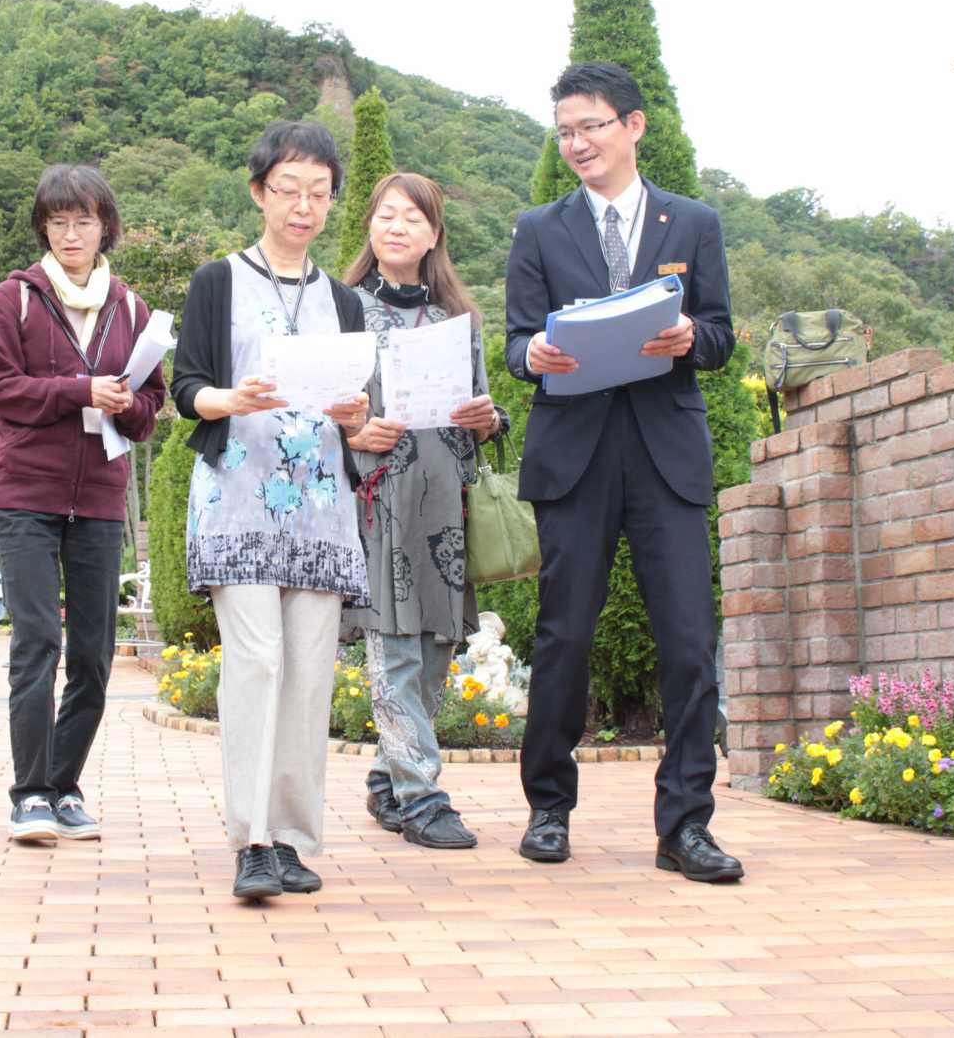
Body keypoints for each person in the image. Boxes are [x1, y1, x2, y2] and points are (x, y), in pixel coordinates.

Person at [503, 61, 743, 882]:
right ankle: (548, 808)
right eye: (565, 130)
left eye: (592, 126)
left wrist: (690, 340)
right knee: (564, 635)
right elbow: (515, 341)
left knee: (687, 641)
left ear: (634, 126)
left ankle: (686, 824)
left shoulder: (694, 222)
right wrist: (530, 353)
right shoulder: (538, 228)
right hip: (574, 453)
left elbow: (719, 333)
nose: (577, 143)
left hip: (665, 454)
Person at [170, 120, 372, 902]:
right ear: (259, 192)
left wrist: (359, 418)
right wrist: (232, 396)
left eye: (318, 193)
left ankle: (293, 838)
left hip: (321, 509)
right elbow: (188, 388)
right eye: (288, 189)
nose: (303, 205)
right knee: (256, 663)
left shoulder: (345, 300)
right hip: (239, 496)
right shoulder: (216, 282)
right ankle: (252, 838)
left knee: (311, 673)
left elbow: (358, 416)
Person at [0, 164, 167, 845]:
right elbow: (0, 389)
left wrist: (127, 403)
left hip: (98, 497)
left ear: (104, 225)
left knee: (93, 652)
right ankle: (28, 792)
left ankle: (64, 785)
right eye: (57, 221)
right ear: (43, 228)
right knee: (38, 641)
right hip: (26, 491)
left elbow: (152, 402)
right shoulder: (16, 298)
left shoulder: (133, 308)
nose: (70, 233)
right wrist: (80, 390)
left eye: (82, 220)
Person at [341, 172, 508, 850]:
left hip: (445, 503)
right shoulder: (343, 311)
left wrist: (487, 418)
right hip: (378, 496)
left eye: (414, 217)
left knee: (438, 645)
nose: (399, 225)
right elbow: (319, 405)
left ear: (434, 234)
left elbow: (485, 414)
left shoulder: (454, 322)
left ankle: (387, 777)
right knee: (395, 651)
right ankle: (420, 793)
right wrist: (356, 434)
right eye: (386, 214)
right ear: (371, 229)